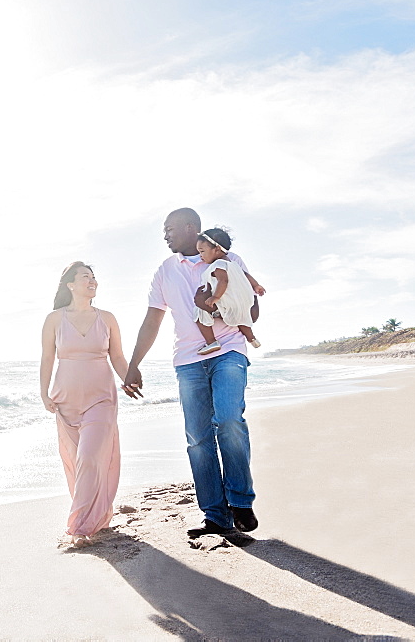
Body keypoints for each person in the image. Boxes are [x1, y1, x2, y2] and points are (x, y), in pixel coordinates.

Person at [122, 208, 260, 538]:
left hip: (228, 350)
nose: (165, 235)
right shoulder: (165, 271)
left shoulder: (226, 259)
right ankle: (215, 516)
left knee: (228, 419)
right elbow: (152, 319)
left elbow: (252, 306)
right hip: (187, 361)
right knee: (198, 439)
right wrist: (133, 364)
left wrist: (221, 308)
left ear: (190, 228)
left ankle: (240, 501)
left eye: (170, 228)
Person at [40, 261, 133, 547]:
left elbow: (116, 356)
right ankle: (99, 515)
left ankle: (78, 526)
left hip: (101, 398)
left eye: (94, 278)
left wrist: (129, 378)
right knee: (77, 461)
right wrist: (44, 393)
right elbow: (47, 358)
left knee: (92, 457)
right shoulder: (54, 319)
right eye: (85, 278)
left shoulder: (107, 318)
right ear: (70, 285)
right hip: (66, 400)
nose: (92, 282)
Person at [195, 227, 266, 355]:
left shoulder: (218, 265)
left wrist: (215, 297)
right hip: (243, 302)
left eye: (202, 251)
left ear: (217, 249)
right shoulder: (233, 264)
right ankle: (252, 338)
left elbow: (223, 281)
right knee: (241, 320)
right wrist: (256, 286)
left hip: (227, 302)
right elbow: (246, 275)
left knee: (199, 313)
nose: (200, 256)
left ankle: (211, 342)